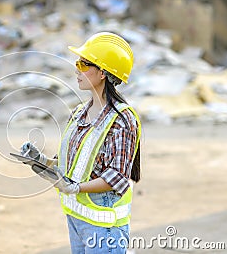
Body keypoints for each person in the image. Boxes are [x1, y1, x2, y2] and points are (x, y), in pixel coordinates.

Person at [20, 32, 141, 253]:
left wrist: (76, 188)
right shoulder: (79, 113)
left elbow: (118, 178)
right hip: (77, 222)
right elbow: (74, 163)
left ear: (103, 72)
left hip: (105, 231)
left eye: (83, 64)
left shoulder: (122, 120)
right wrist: (42, 161)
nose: (76, 69)